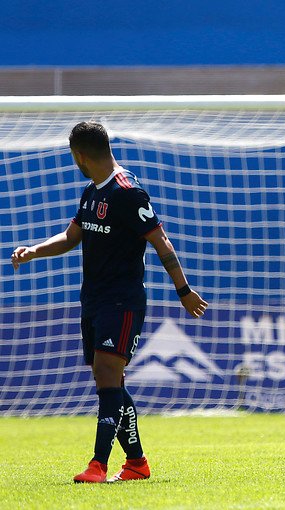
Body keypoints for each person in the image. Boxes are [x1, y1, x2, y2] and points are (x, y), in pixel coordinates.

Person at [10, 121, 208, 483]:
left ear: (79, 155)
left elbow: (162, 243)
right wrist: (34, 251)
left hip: (124, 300)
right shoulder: (92, 192)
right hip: (94, 300)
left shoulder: (128, 192)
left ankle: (98, 465)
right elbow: (72, 237)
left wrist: (183, 291)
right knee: (109, 381)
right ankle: (137, 463)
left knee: (106, 374)